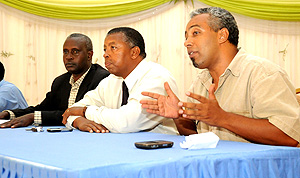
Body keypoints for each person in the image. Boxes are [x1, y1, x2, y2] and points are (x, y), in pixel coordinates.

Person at [140, 7, 300, 147]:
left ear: (222, 35)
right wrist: (179, 116)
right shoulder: (201, 81)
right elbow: (197, 137)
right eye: (186, 36)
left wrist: (222, 118)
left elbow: (289, 136)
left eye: (195, 33)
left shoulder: (263, 73)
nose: (187, 42)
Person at [62, 27, 178, 135]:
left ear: (134, 52)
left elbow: (127, 122)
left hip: (158, 151)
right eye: (105, 49)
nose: (105, 54)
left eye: (113, 48)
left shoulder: (156, 76)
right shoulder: (112, 80)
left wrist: (85, 112)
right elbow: (72, 110)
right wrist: (77, 121)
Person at [0, 33, 109, 128]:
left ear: (89, 55)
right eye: (65, 52)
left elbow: (74, 113)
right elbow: (42, 108)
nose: (68, 57)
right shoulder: (60, 81)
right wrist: (8, 114)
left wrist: (34, 117)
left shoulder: (102, 78)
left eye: (75, 52)